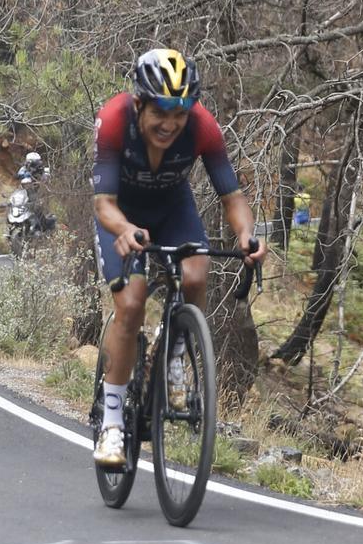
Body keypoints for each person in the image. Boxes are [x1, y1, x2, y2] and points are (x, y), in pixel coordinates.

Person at [91, 48, 266, 465]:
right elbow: (103, 205)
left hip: (172, 208)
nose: (170, 123)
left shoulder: (204, 127)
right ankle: (112, 424)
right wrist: (125, 229)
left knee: (196, 274)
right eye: (162, 112)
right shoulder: (115, 120)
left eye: (181, 112)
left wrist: (247, 235)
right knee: (130, 305)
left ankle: (174, 359)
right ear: (139, 104)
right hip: (121, 214)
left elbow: (233, 196)